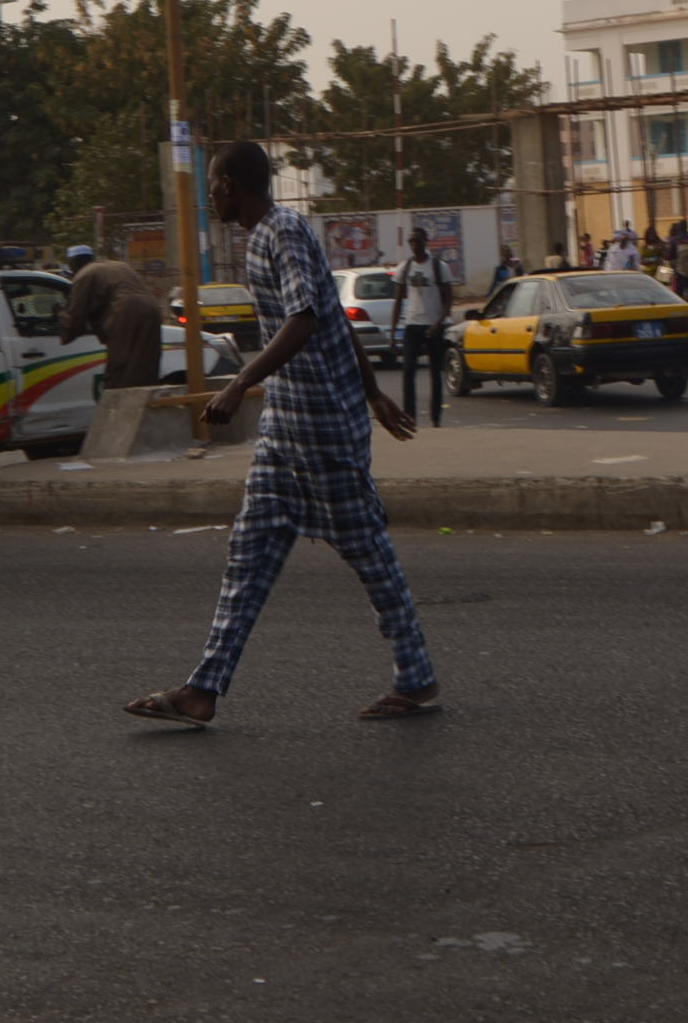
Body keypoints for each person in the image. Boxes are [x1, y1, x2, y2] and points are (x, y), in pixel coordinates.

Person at [124, 140, 437, 728]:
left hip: (321, 430)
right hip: (284, 430)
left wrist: (239, 383)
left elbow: (306, 319)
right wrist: (373, 391)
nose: (210, 197)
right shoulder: (266, 237)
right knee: (248, 555)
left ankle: (415, 676)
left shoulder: (282, 233)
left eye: (213, 186)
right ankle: (203, 688)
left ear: (229, 186)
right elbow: (334, 320)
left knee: (368, 552)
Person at [56, 256, 164, 391]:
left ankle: (119, 403)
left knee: (121, 369)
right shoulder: (119, 265)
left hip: (126, 311)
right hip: (152, 309)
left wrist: (60, 316)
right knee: (145, 367)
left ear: (75, 265)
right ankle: (142, 402)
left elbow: (75, 315)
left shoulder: (84, 275)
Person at [388, 225, 457, 422]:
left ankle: (436, 417)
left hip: (433, 326)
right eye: (411, 241)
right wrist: (393, 333)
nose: (414, 245)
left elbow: (448, 299)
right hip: (412, 325)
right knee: (408, 371)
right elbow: (398, 301)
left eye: (418, 241)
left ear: (426, 242)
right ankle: (410, 416)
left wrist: (438, 323)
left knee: (435, 373)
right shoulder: (405, 267)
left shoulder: (438, 267)